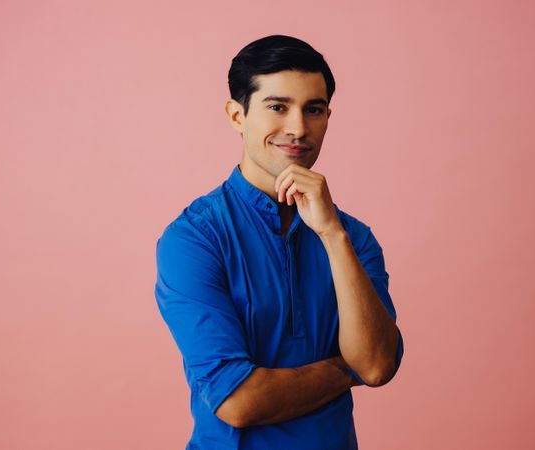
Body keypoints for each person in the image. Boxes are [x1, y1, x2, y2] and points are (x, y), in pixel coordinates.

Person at [154, 34, 404, 450]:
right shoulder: (195, 238)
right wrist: (346, 370)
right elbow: (238, 400)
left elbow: (377, 365)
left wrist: (331, 234)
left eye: (314, 110)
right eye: (277, 107)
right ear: (237, 115)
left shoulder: (352, 237)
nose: (298, 128)